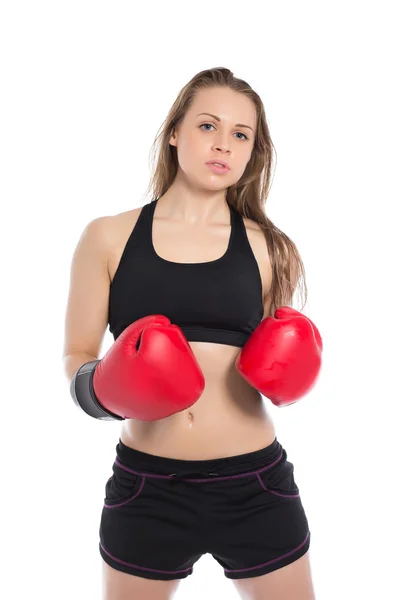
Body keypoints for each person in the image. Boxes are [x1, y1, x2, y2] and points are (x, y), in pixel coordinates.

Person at [63, 67, 322, 600]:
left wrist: (292, 377)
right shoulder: (108, 236)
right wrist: (102, 390)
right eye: (207, 126)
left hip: (256, 486)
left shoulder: (272, 248)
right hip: (147, 488)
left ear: (253, 153)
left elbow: (277, 368)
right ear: (176, 131)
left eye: (241, 134)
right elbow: (77, 353)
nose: (223, 144)